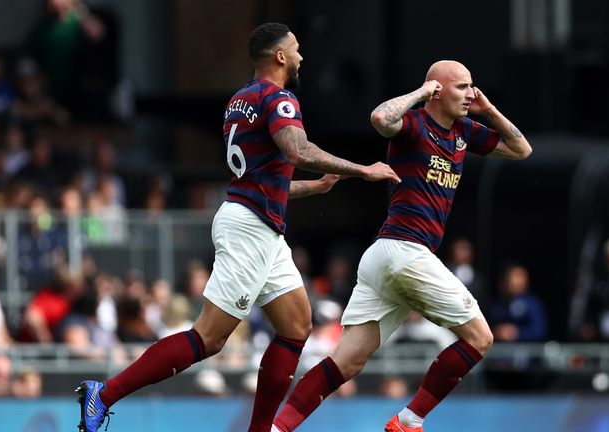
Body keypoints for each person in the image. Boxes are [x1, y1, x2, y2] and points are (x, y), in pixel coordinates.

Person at [75, 22, 400, 432]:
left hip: (257, 223)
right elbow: (298, 149)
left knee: (297, 326)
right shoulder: (279, 98)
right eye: (296, 50)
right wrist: (362, 170)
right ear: (280, 56)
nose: (302, 57)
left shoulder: (239, 100)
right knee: (209, 338)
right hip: (250, 228)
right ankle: (103, 394)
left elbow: (259, 179)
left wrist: (313, 188)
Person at [272, 59, 531, 432]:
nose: (470, 94)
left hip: (386, 258)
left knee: (346, 362)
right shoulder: (413, 124)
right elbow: (380, 118)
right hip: (405, 252)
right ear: (437, 90)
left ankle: (278, 428)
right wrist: (423, 92)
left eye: (472, 86)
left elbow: (521, 149)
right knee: (481, 337)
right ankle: (408, 421)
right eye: (462, 87)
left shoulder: (465, 131)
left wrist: (488, 109)